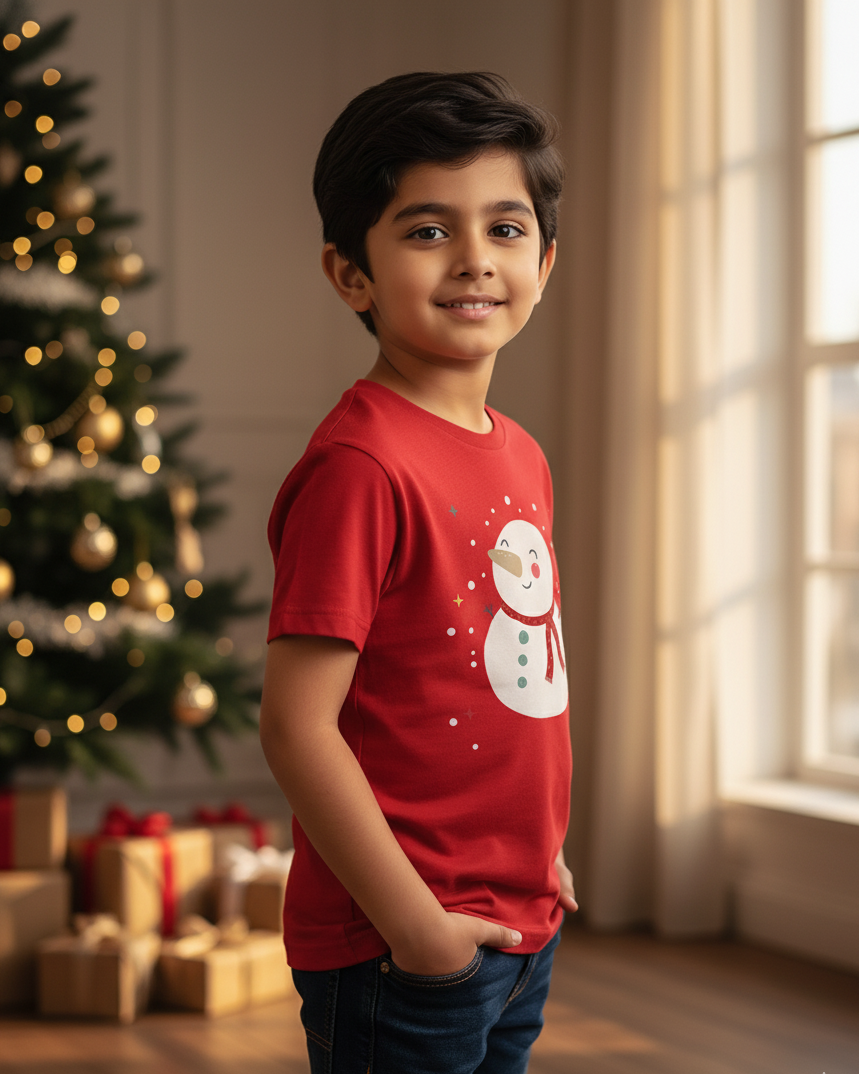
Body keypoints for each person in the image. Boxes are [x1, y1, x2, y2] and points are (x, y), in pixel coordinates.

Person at [259, 71, 576, 1074]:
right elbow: (296, 726)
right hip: (402, 944)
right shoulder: (361, 467)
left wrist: (538, 855)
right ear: (350, 273)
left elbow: (508, 683)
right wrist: (415, 927)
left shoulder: (521, 454)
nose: (474, 258)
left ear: (544, 261)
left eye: (505, 229)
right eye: (429, 230)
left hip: (519, 921)